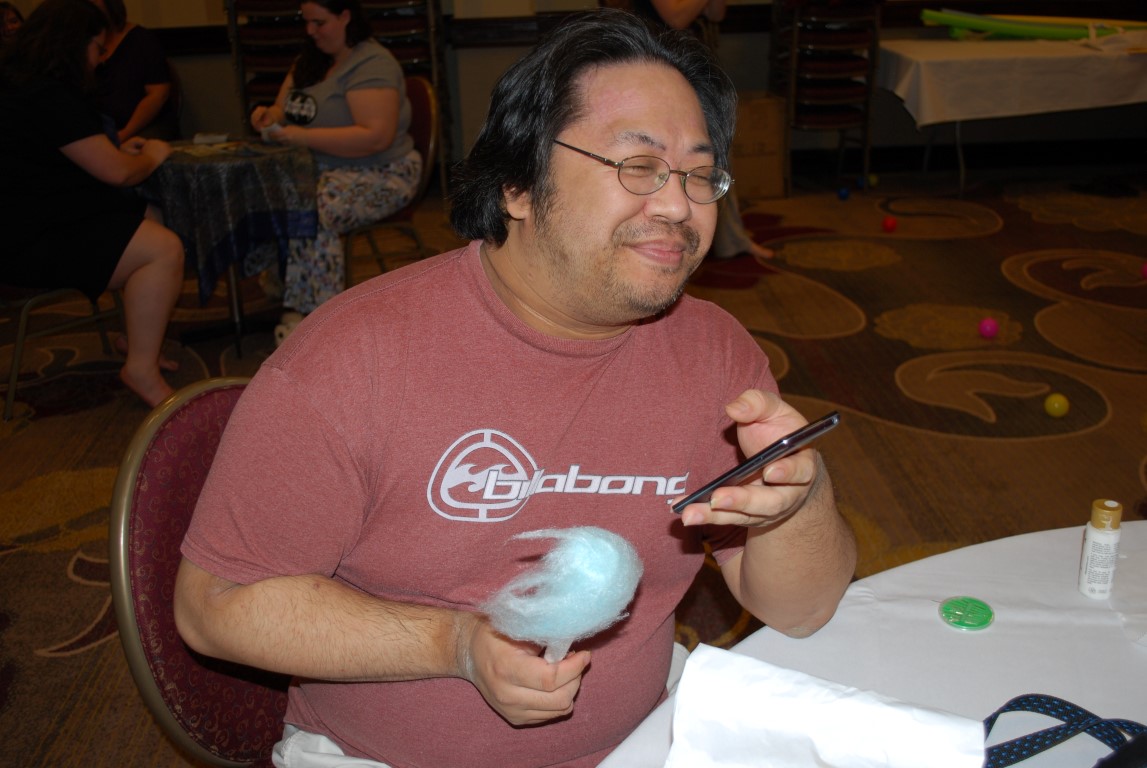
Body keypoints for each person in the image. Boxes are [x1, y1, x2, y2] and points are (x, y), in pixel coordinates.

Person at [174, 9, 855, 768]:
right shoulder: (352, 358)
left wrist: (800, 501)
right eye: (637, 165)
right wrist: (455, 643)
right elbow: (214, 607)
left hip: (644, 738)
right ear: (518, 185)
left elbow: (802, 611)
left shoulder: (714, 352)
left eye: (699, 174)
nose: (677, 205)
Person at [0, 0, 184, 408]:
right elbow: (118, 174)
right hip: (30, 240)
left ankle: (139, 338)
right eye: (97, 47)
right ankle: (140, 369)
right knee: (165, 248)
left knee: (150, 217)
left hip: (31, 218)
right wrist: (152, 156)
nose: (100, 59)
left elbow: (57, 154)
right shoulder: (49, 95)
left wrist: (115, 151)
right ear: (73, 44)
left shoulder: (21, 83)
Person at [249, 0, 421, 332]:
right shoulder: (311, 59)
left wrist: (301, 136)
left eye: (319, 22)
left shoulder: (372, 64)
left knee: (313, 211)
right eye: (306, 22)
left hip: (383, 172)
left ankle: (318, 320)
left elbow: (375, 137)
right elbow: (285, 109)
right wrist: (269, 116)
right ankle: (285, 281)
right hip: (320, 169)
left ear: (345, 16)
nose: (310, 31)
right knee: (260, 192)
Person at [628, 0, 774, 261]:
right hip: (655, 69)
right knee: (673, 163)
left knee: (715, 155)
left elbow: (717, 14)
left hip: (692, 67)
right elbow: (676, 18)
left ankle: (730, 237)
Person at [88, 0, 178, 143]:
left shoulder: (142, 40)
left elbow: (158, 94)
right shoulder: (80, 46)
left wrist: (123, 134)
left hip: (143, 127)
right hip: (98, 128)